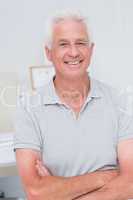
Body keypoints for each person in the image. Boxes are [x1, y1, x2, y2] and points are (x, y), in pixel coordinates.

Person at [14, 10, 133, 200]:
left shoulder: (119, 101)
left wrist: (59, 190)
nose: (74, 52)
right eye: (63, 44)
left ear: (91, 49)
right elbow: (36, 191)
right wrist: (103, 177)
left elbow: (131, 182)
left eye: (80, 43)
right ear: (48, 53)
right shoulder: (29, 107)